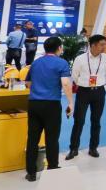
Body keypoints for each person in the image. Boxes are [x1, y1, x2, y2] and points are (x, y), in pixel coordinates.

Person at [24, 37, 74, 181]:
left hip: (34, 104)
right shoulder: (62, 63)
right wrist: (71, 103)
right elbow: (66, 83)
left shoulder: (36, 62)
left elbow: (28, 83)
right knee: (52, 138)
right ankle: (52, 168)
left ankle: (31, 173)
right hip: (51, 104)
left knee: (32, 139)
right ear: (59, 48)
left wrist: (38, 89)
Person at [68, 34, 106, 160]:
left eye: (104, 44)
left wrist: (99, 83)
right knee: (79, 121)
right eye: (102, 44)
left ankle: (93, 148)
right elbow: (75, 76)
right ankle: (74, 148)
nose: (104, 47)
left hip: (99, 91)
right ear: (93, 45)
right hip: (84, 92)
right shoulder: (80, 59)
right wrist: (84, 84)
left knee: (96, 121)